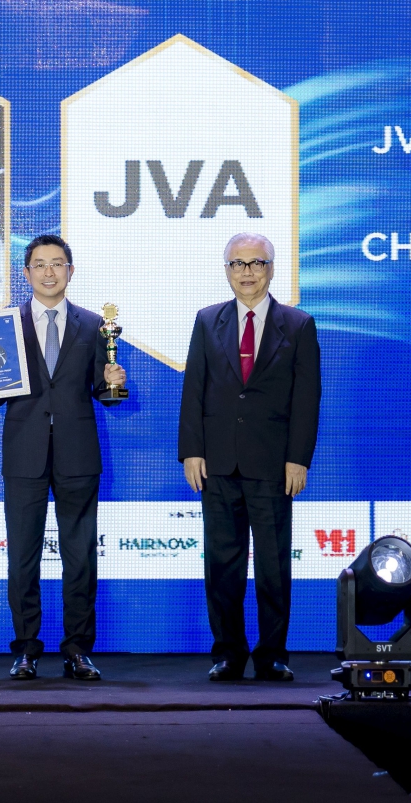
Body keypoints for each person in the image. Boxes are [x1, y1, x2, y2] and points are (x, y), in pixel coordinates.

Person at [0, 234, 127, 681]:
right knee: (22, 557)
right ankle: (26, 649)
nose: (49, 272)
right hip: (24, 453)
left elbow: (104, 394)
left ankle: (77, 650)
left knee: (80, 557)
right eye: (40, 265)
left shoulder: (94, 326)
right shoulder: (4, 326)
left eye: (58, 264)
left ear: (71, 271)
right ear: (26, 273)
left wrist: (114, 382)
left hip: (78, 455)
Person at [178, 233, 320, 683]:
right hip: (217, 463)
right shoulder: (207, 321)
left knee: (274, 565)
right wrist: (191, 451)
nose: (247, 272)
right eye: (238, 264)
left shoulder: (298, 325)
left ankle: (272, 654)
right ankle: (228, 654)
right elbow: (194, 390)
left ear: (271, 269)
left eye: (257, 263)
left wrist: (298, 459)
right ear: (227, 270)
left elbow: (307, 400)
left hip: (273, 465)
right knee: (222, 564)